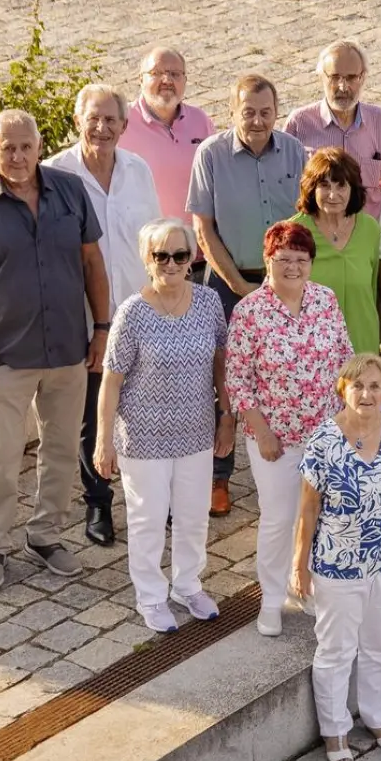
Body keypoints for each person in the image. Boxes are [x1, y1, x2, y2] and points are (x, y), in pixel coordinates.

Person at [0, 110, 108, 590]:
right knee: (1, 455)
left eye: (26, 147)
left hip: (67, 350)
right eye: (7, 148)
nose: (17, 157)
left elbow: (93, 262)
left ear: (39, 147)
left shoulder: (70, 191)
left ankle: (46, 535)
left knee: (59, 449)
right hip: (2, 357)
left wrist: (100, 330)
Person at [93, 218, 233, 631]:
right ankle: (151, 596)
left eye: (179, 254)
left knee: (193, 516)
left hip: (196, 432)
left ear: (191, 259)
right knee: (148, 519)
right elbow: (111, 381)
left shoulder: (208, 303)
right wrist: (104, 441)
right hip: (143, 437)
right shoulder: (132, 314)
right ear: (147, 259)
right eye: (161, 255)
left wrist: (227, 419)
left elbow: (222, 365)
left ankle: (187, 585)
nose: (170, 263)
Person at [291, 355, 381, 761]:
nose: (366, 394)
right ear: (343, 390)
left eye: (375, 386)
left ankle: (376, 718)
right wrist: (299, 564)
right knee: (336, 649)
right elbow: (308, 510)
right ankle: (334, 730)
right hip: (339, 562)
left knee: (379, 643)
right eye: (358, 386)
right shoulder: (323, 441)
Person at [224, 221, 354, 636]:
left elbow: (344, 358)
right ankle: (271, 598)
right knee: (279, 518)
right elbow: (237, 380)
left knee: (317, 515)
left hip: (324, 435)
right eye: (284, 259)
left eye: (301, 259)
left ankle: (308, 587)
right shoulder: (250, 311)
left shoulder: (326, 300)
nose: (293, 267)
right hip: (274, 440)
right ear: (268, 260)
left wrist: (347, 421)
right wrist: (261, 431)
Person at [187, 74, 306, 515]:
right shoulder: (211, 155)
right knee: (222, 378)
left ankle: (285, 464)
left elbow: (302, 219)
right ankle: (219, 477)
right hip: (229, 281)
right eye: (248, 112)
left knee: (284, 371)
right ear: (232, 111)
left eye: (265, 112)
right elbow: (203, 228)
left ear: (277, 112)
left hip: (284, 280)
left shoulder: (293, 150)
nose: (257, 121)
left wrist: (284, 280)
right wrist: (240, 286)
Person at [49, 83, 162, 546]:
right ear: (79, 120)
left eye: (111, 119)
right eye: (93, 118)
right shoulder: (56, 172)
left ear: (125, 124)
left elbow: (154, 239)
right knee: (93, 413)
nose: (101, 127)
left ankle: (151, 500)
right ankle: (98, 503)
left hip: (137, 310)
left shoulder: (138, 170)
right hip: (83, 313)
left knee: (144, 404)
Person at [283, 40, 381, 218]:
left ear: (362, 77)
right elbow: (282, 182)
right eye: (335, 77)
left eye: (351, 78)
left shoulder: (378, 119)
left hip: (368, 236)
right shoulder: (299, 122)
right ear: (321, 77)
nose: (343, 87)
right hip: (319, 236)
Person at [290, 147, 381, 354]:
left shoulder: (370, 228)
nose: (333, 195)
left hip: (362, 343)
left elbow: (373, 289)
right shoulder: (292, 234)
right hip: (311, 352)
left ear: (353, 189)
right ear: (311, 188)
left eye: (341, 186)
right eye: (324, 185)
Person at [119, 46, 216, 228]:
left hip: (197, 245)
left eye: (175, 74)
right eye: (157, 73)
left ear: (185, 80)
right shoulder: (121, 123)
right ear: (140, 79)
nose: (167, 80)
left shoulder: (200, 120)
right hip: (146, 248)